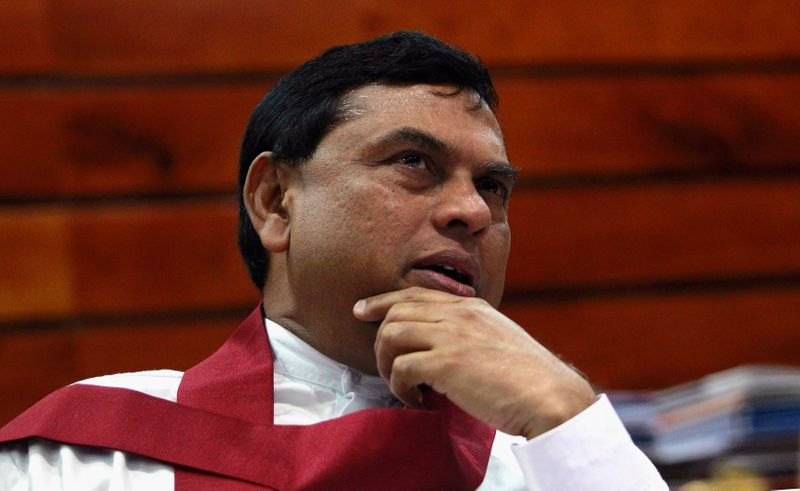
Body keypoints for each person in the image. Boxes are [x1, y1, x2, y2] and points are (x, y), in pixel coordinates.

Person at [0, 32, 666, 490]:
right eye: (414, 162)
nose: (473, 211)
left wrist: (564, 411)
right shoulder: (86, 459)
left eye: (492, 185)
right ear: (275, 202)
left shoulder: (554, 458)